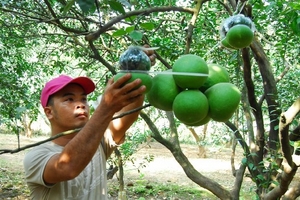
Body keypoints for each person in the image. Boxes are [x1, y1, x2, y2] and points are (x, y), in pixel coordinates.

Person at [23, 47, 156, 200]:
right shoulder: (36, 157)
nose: (80, 104)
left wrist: (136, 69)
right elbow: (67, 166)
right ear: (49, 112)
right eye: (69, 99)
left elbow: (129, 111)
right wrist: (106, 107)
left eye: (83, 99)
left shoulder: (98, 142)